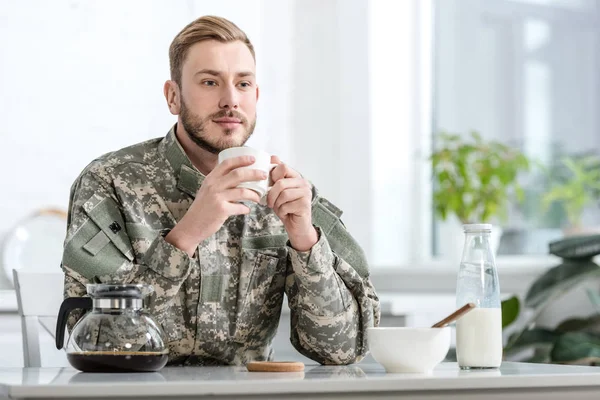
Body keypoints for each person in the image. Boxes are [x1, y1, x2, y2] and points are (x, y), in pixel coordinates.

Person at [61, 15, 380, 366]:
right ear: (173, 96)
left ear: (256, 97)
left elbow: (343, 349)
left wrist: (305, 240)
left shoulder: (287, 191)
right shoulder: (110, 182)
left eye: (243, 85)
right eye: (210, 82)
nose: (231, 100)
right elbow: (93, 340)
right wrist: (187, 233)